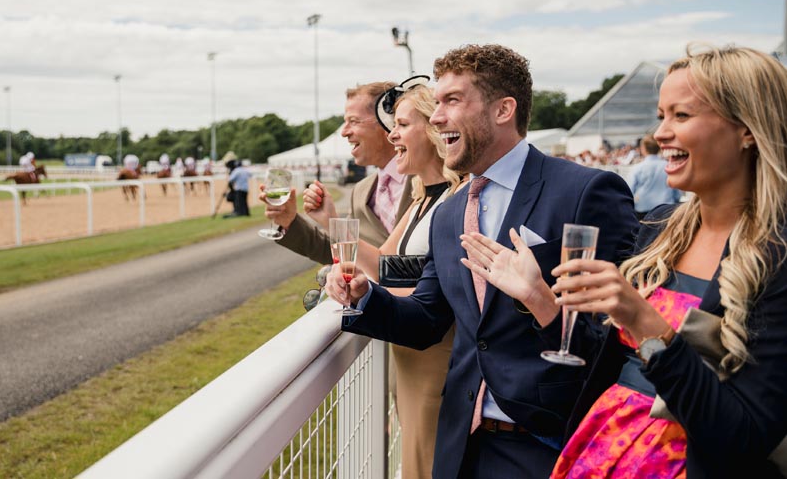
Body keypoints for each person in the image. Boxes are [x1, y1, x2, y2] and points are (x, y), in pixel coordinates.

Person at [465, 45, 787, 478]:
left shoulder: (776, 257)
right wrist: (539, 297)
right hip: (602, 450)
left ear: (747, 129)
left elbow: (742, 436)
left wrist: (645, 321)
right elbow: (600, 365)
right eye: (661, 116)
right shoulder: (659, 230)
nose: (662, 133)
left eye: (682, 116)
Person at [325, 44, 638, 479]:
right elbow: (426, 319)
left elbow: (621, 338)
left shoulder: (586, 191)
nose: (436, 117)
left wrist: (540, 300)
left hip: (548, 445)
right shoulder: (450, 213)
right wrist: (364, 297)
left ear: (503, 110)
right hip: (461, 445)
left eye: (452, 101)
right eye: (437, 104)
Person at [348, 78, 463, 479]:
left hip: (437, 358)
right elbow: (383, 264)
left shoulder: (457, 197)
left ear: (433, 130)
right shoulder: (420, 197)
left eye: (401, 125)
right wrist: (338, 247)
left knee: (426, 466)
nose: (391, 134)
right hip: (409, 360)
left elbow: (435, 281)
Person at [264, 82, 413, 265]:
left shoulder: (431, 181)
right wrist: (290, 222)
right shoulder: (361, 191)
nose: (344, 132)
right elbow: (345, 254)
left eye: (353, 121)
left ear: (387, 122)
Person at [628, 133, 683, 219]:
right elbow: (677, 192)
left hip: (643, 210)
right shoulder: (669, 166)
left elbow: (630, 191)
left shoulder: (637, 168)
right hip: (666, 210)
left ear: (643, 149)